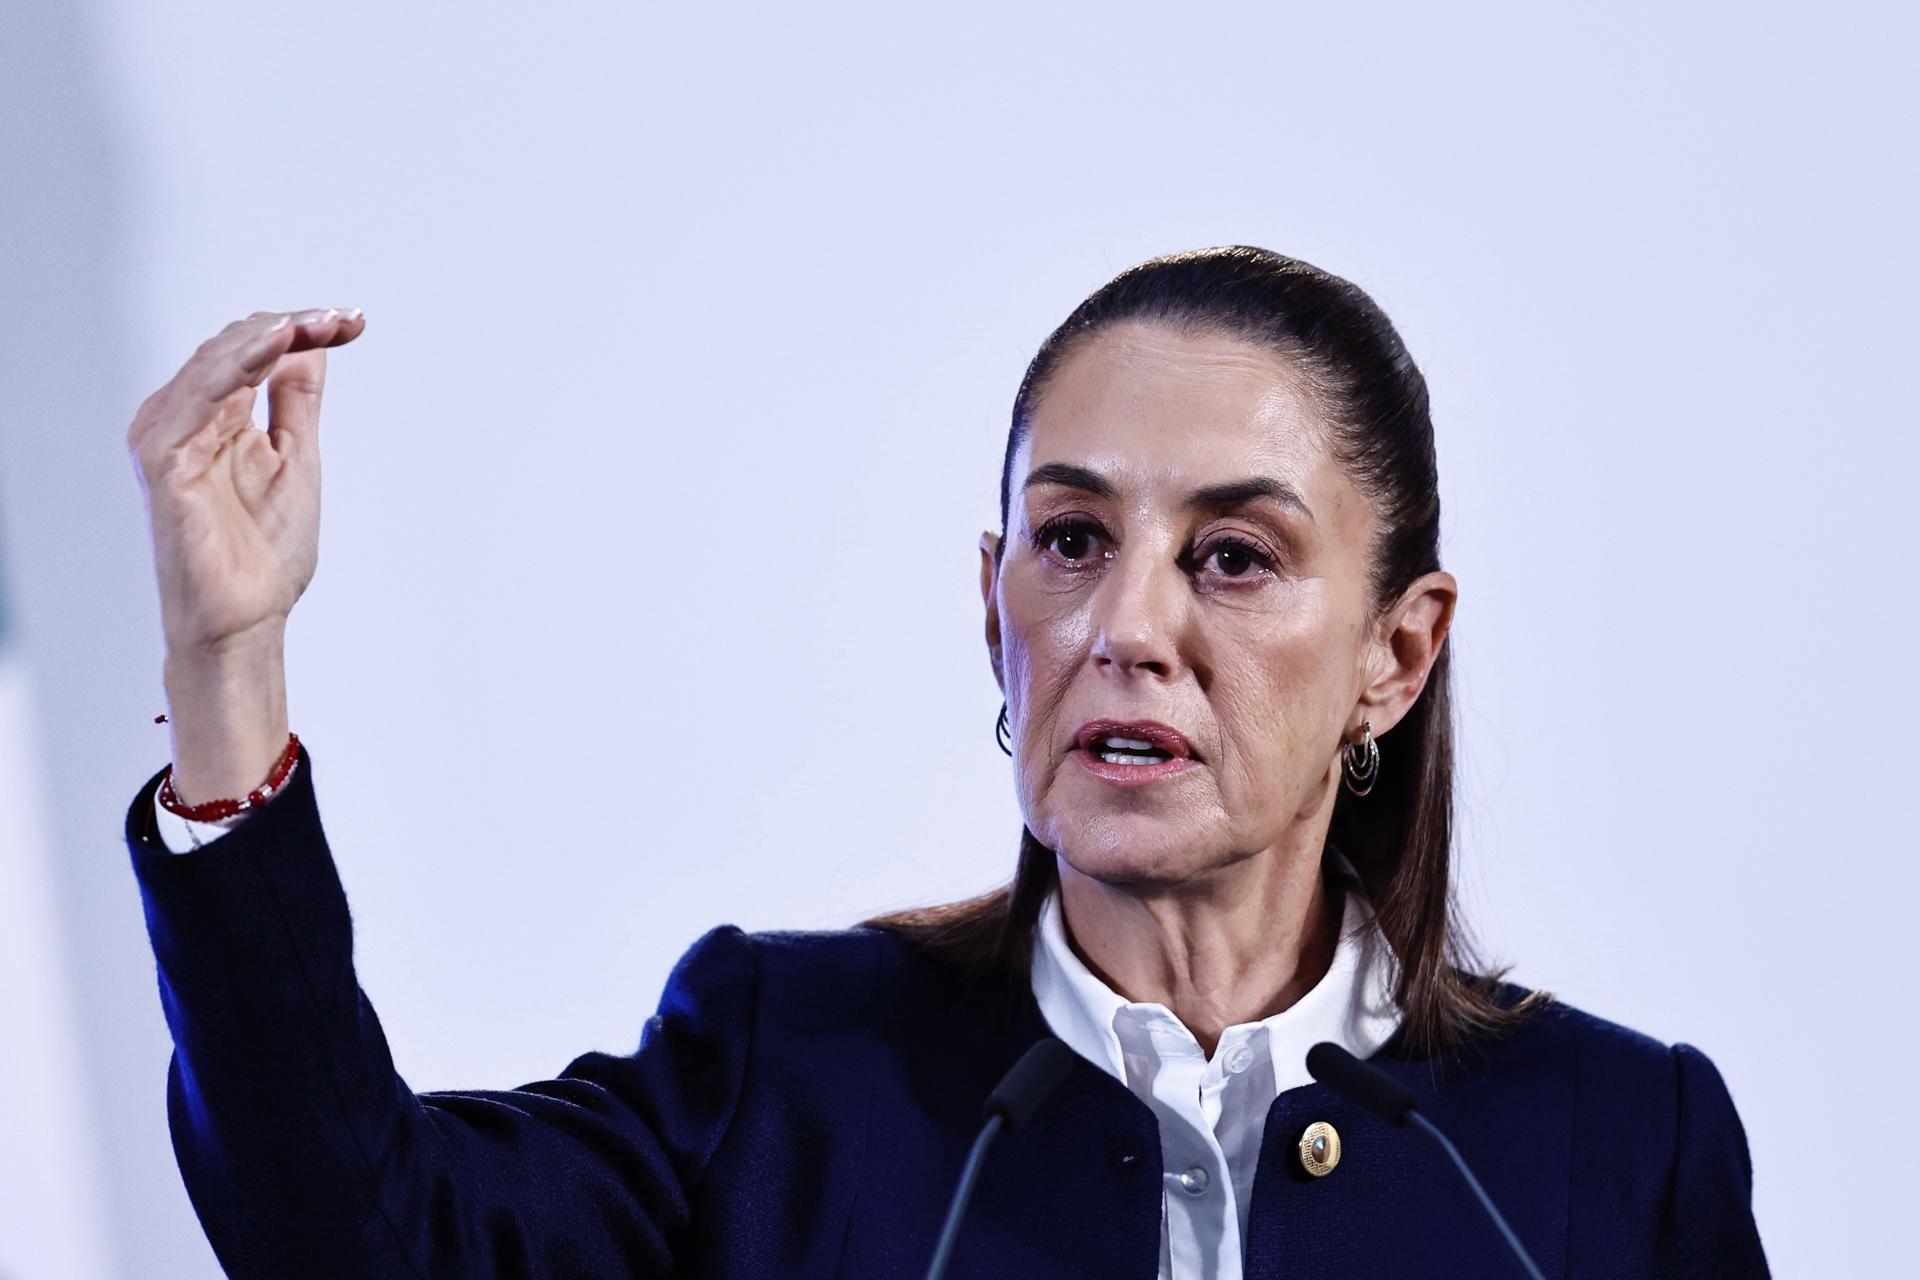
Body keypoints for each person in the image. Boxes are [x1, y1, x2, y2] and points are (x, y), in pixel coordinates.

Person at [122, 248, 1770, 1278]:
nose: (1125, 625)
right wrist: (227, 665)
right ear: (994, 609)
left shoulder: (1618, 1151)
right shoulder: (786, 1076)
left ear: (1396, 655)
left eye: (1234, 558)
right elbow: (355, 1231)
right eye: (1070, 539)